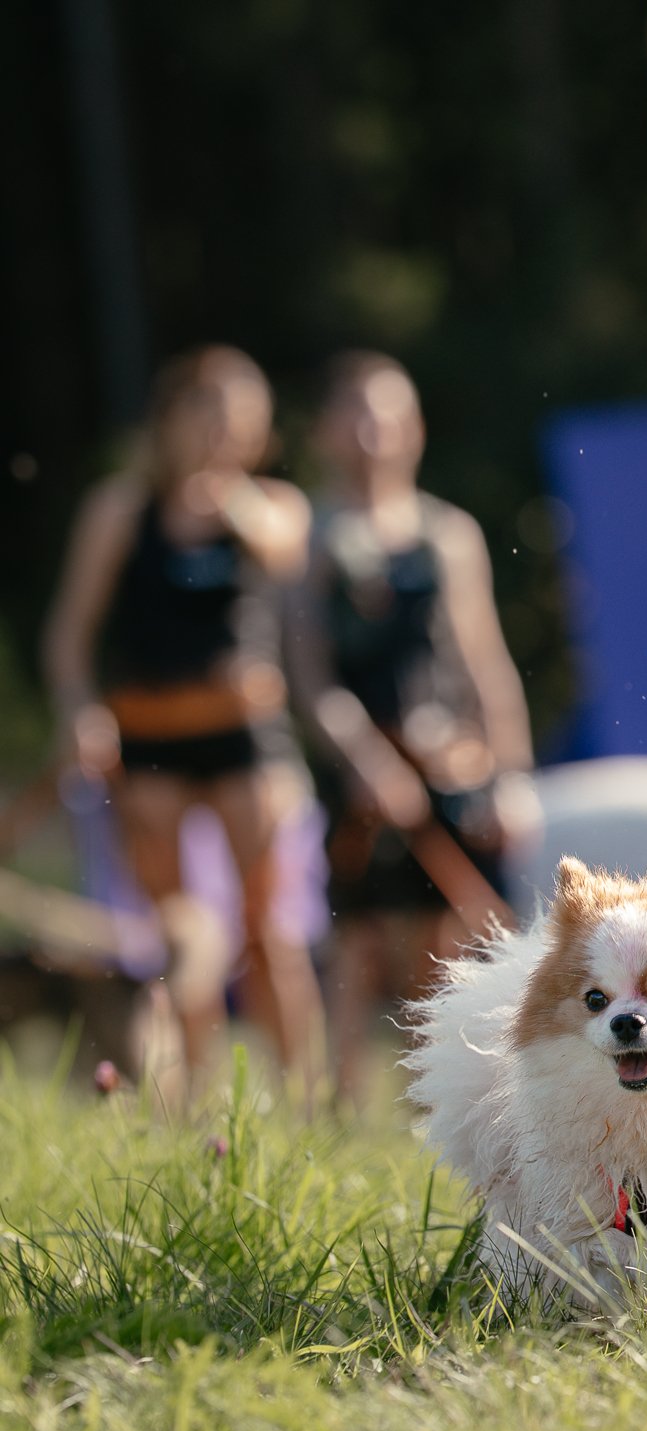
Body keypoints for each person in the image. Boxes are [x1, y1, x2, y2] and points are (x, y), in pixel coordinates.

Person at [41, 345, 324, 1090]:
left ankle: (304, 1098)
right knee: (178, 934)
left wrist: (227, 500)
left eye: (238, 421)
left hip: (244, 735)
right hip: (150, 734)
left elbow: (287, 554)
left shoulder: (268, 508)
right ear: (169, 418)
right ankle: (195, 1096)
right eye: (204, 414)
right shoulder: (120, 511)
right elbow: (69, 635)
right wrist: (78, 712)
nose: (218, 433)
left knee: (269, 930)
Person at [286, 352, 535, 1099]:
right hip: (356, 766)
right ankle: (332, 1114)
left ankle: (441, 1114)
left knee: (448, 944)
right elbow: (308, 674)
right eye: (356, 413)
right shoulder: (308, 536)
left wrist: (512, 775)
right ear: (326, 429)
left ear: (415, 429)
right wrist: (365, 760)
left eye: (389, 414)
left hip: (449, 761)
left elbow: (481, 659)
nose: (373, 432)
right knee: (356, 945)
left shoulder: (446, 533)